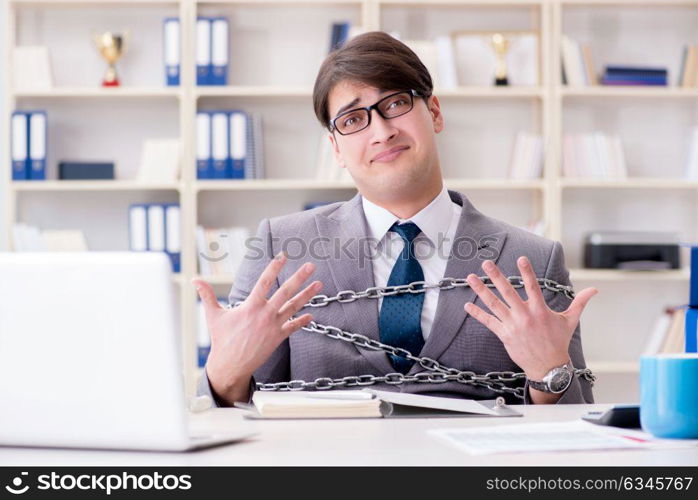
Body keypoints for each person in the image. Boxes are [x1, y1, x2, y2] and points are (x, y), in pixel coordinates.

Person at [194, 31, 598, 407]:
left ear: (434, 113)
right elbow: (231, 413)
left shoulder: (532, 260)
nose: (382, 131)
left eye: (395, 104)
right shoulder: (280, 247)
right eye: (353, 120)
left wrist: (549, 372)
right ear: (336, 148)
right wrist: (224, 370)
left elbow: (575, 429)